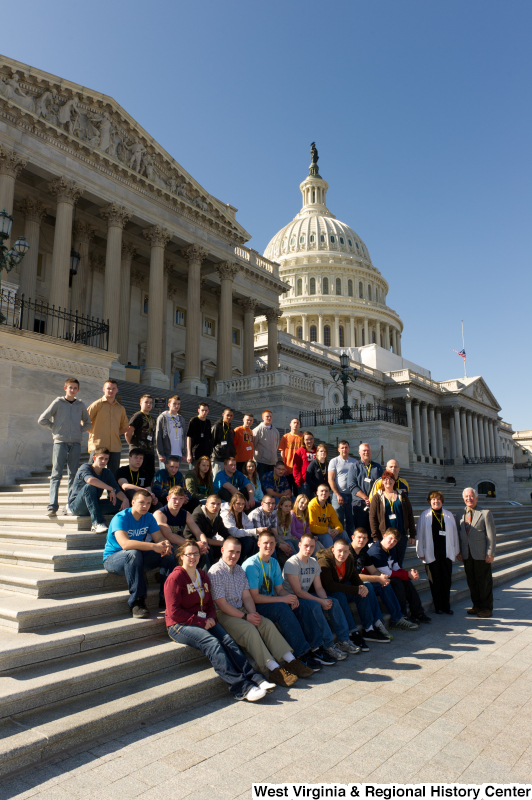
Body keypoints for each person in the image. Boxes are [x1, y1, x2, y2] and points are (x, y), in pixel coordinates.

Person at [165, 541, 273, 702]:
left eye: (196, 553)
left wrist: (209, 617)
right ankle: (241, 687)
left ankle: (255, 678)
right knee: (212, 643)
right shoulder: (175, 578)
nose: (193, 557)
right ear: (182, 556)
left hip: (203, 619)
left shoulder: (202, 575)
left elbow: (209, 603)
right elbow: (174, 612)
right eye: (189, 554)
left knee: (227, 640)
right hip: (179, 624)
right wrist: (201, 622)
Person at [210, 537, 314, 686]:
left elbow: (246, 596)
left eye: (238, 552)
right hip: (224, 613)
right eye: (231, 551)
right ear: (222, 550)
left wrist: (253, 614)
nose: (234, 555)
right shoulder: (215, 572)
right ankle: (273, 669)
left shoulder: (239, 570)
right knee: (250, 629)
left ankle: (290, 661)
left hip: (242, 609)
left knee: (266, 624)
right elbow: (222, 603)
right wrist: (246, 617)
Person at [242, 532, 330, 670]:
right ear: (258, 544)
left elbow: (280, 589)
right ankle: (302, 653)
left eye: (272, 543)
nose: (269, 546)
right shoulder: (252, 565)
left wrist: (290, 597)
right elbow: (254, 597)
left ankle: (316, 648)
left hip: (273, 601)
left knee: (301, 604)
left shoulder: (274, 562)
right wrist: (283, 599)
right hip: (256, 605)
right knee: (282, 608)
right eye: (265, 542)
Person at [283, 534, 358, 658]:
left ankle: (344, 640)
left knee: (333, 601)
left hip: (306, 595)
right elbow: (298, 592)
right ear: (299, 545)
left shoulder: (313, 562)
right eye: (306, 546)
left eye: (312, 546)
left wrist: (324, 599)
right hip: (293, 598)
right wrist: (320, 601)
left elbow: (318, 587)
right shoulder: (292, 563)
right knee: (316, 605)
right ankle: (328, 645)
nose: (309, 549)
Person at [103, 489, 175, 617]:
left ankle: (166, 597)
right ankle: (137, 602)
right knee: (133, 552)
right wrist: (154, 546)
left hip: (136, 558)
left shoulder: (149, 517)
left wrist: (165, 544)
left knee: (169, 552)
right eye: (141, 502)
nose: (145, 506)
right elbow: (125, 544)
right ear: (133, 502)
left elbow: (159, 538)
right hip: (114, 560)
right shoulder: (120, 517)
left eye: (148, 503)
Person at [316, 538, 391, 648]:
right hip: (325, 592)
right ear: (333, 551)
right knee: (340, 595)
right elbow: (330, 586)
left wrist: (361, 586)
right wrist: (357, 589)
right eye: (339, 551)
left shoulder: (348, 559)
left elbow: (354, 576)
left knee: (365, 589)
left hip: (340, 588)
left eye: (346, 551)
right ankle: (352, 632)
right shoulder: (324, 561)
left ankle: (368, 628)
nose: (342, 554)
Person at [38, 377, 91, 517]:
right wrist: (55, 429)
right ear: (65, 388)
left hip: (76, 443)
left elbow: (88, 423)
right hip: (60, 442)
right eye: (70, 387)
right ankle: (52, 506)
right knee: (56, 474)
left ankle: (70, 505)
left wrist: (79, 430)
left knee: (73, 475)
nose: (72, 390)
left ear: (78, 390)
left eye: (75, 388)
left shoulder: (80, 405)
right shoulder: (58, 402)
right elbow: (42, 419)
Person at [350, 528, 418, 631]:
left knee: (384, 584)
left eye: (364, 538)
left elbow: (374, 571)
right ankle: (377, 624)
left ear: (367, 539)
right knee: (372, 585)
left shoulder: (364, 553)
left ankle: (398, 618)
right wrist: (378, 577)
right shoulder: (348, 552)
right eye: (359, 537)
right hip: (349, 584)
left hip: (362, 581)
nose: (361, 540)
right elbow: (353, 576)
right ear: (353, 537)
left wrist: (381, 578)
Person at [368, 529, 431, 624]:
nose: (392, 542)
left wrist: (410, 575)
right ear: (384, 536)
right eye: (391, 538)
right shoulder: (376, 551)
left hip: (385, 576)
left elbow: (396, 567)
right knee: (397, 581)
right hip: (375, 580)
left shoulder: (391, 549)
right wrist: (407, 575)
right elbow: (387, 573)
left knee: (405, 581)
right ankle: (402, 615)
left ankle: (418, 613)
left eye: (395, 541)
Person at [417, 491, 460, 615]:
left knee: (446, 580)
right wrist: (420, 551)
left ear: (442, 501)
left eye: (438, 499)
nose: (436, 501)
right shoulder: (424, 515)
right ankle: (438, 606)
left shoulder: (448, 514)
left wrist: (456, 549)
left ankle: (446, 606)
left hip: (446, 552)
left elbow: (455, 534)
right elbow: (419, 534)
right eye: (433, 499)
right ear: (430, 501)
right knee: (435, 580)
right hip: (431, 552)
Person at [455, 487, 496, 619]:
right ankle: (476, 605)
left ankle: (487, 608)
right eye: (466, 496)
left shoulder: (485, 513)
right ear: (463, 499)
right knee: (472, 581)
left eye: (471, 496)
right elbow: (459, 534)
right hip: (467, 554)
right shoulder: (459, 514)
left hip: (481, 554)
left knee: (484, 582)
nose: (469, 499)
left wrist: (490, 553)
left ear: (477, 497)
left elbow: (491, 535)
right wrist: (459, 551)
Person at [68, 447, 128, 532]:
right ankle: (97, 523)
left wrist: (125, 499)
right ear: (94, 458)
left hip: (93, 504)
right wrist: (110, 488)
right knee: (89, 486)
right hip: (77, 506)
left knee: (121, 503)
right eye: (101, 458)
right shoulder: (85, 467)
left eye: (106, 459)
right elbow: (90, 480)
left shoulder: (107, 473)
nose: (104, 461)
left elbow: (117, 490)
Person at [369, 469, 416, 566]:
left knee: (399, 562)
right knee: (387, 562)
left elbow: (410, 514)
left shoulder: (401, 495)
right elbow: (372, 518)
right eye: (385, 479)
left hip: (401, 535)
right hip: (385, 536)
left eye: (391, 479)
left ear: (395, 481)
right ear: (382, 481)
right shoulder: (377, 496)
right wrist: (375, 537)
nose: (388, 481)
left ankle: (399, 579)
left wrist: (412, 534)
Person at [87, 379, 129, 476]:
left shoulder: (121, 409)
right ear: (103, 389)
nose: (111, 391)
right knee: (93, 474)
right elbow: (84, 422)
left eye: (113, 388)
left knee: (113, 475)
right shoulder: (96, 405)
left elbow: (125, 427)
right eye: (108, 388)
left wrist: (112, 433)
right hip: (98, 445)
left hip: (115, 447)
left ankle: (111, 492)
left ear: (117, 390)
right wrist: (94, 431)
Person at [348, 443, 383, 534]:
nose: (366, 452)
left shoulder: (378, 467)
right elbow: (352, 485)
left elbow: (382, 485)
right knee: (361, 531)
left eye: (368, 450)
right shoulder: (354, 467)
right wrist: (366, 498)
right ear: (359, 452)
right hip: (359, 503)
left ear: (371, 452)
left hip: (375, 503)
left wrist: (373, 499)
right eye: (364, 450)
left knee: (374, 529)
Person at [184, 494, 228, 564]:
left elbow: (225, 533)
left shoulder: (217, 517)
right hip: (192, 542)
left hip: (206, 543)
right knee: (207, 550)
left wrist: (231, 541)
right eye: (213, 503)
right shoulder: (197, 515)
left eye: (218, 504)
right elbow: (200, 537)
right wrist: (223, 543)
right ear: (206, 504)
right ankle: (207, 573)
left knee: (230, 548)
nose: (215, 506)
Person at [220, 493, 263, 562]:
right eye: (238, 503)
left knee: (256, 539)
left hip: (237, 538)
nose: (241, 506)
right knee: (248, 540)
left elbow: (250, 527)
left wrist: (255, 532)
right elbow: (234, 532)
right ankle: (239, 563)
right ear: (232, 504)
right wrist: (255, 531)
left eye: (243, 504)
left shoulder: (242, 514)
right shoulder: (226, 515)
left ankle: (254, 562)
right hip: (225, 540)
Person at [328, 440, 357, 537]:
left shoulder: (355, 462)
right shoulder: (334, 461)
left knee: (351, 524)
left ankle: (351, 546)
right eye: (342, 447)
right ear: (338, 449)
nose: (344, 449)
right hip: (338, 495)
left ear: (349, 448)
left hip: (352, 496)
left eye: (346, 447)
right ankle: (338, 545)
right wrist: (338, 494)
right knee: (337, 523)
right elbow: (331, 479)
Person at [125, 394, 156, 484]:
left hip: (149, 451)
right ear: (141, 403)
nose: (149, 404)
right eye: (146, 402)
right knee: (138, 475)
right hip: (139, 451)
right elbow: (128, 433)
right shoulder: (137, 416)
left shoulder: (152, 418)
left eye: (150, 402)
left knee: (149, 475)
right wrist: (132, 446)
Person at [308, 484, 351, 548]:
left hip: (327, 532)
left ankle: (351, 553)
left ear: (329, 494)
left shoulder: (329, 507)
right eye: (322, 491)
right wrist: (327, 530)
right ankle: (330, 556)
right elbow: (312, 527)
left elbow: (338, 524)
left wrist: (337, 530)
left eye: (326, 491)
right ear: (317, 493)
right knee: (327, 536)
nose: (324, 493)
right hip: (316, 535)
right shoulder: (312, 506)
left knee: (343, 533)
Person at [156, 395, 185, 467]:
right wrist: (160, 454)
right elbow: (158, 436)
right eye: (174, 403)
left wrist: (184, 453)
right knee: (165, 476)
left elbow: (184, 436)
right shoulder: (163, 417)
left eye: (178, 404)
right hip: (167, 453)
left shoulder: (181, 419)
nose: (177, 405)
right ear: (169, 405)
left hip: (178, 453)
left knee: (175, 477)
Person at [253, 410, 281, 480]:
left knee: (271, 484)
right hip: (261, 463)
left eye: (270, 416)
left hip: (272, 463)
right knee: (262, 483)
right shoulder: (257, 430)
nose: (269, 418)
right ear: (263, 417)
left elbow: (276, 445)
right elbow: (253, 445)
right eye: (267, 416)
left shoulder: (276, 431)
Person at [279, 418, 303, 495]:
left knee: (297, 493)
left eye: (297, 423)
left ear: (299, 425)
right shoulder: (285, 437)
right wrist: (283, 467)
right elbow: (282, 453)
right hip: (288, 469)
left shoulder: (302, 437)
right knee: (287, 492)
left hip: (299, 470)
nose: (295, 424)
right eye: (294, 422)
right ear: (290, 424)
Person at [211, 408, 236, 477]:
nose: (229, 417)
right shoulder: (217, 426)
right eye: (227, 415)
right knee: (217, 479)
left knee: (227, 480)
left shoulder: (231, 430)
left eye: (231, 416)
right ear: (223, 414)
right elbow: (211, 442)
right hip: (218, 458)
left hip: (228, 459)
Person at [186, 402, 212, 466]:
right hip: (195, 453)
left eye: (206, 410)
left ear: (208, 411)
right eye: (202, 410)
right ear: (198, 410)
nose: (204, 412)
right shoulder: (193, 421)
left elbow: (209, 438)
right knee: (194, 473)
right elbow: (189, 437)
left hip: (206, 454)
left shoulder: (208, 422)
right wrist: (189, 454)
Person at [292, 431, 317, 499]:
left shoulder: (318, 450)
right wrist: (298, 481)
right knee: (304, 504)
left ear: (313, 439)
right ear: (303, 441)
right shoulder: (300, 451)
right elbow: (295, 467)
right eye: (307, 439)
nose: (309, 441)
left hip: (316, 482)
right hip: (304, 483)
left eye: (311, 439)